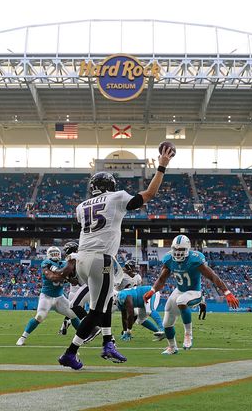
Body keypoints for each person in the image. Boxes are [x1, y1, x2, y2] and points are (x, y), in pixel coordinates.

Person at [52, 146, 173, 370]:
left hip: (82, 260)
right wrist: (162, 166)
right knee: (96, 311)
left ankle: (108, 343)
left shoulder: (81, 206)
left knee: (106, 300)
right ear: (110, 187)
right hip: (101, 259)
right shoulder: (116, 197)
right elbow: (149, 195)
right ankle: (71, 352)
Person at [145, 235, 239, 354]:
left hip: (194, 291)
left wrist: (227, 292)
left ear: (188, 249)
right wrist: (152, 291)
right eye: (176, 249)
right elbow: (162, 279)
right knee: (167, 322)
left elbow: (212, 276)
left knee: (181, 301)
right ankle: (172, 347)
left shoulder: (195, 259)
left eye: (181, 250)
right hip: (179, 290)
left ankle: (188, 334)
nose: (178, 253)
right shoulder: (169, 259)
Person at [17, 246, 83, 346]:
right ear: (48, 255)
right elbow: (52, 277)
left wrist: (68, 275)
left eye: (56, 253)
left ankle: (82, 336)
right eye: (53, 253)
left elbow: (72, 277)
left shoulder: (64, 264)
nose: (55, 255)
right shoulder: (46, 263)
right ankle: (22, 337)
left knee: (73, 315)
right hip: (47, 296)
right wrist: (66, 276)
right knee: (40, 316)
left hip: (59, 297)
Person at [59, 241, 88, 335]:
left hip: (76, 289)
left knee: (73, 311)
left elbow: (71, 279)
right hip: (85, 288)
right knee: (84, 311)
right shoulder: (80, 256)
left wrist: (62, 275)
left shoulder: (72, 257)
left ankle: (66, 323)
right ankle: (91, 328)